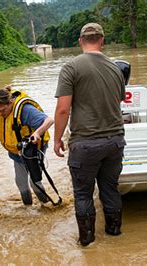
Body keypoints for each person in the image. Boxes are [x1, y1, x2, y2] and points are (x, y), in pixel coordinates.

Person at [53, 23, 126, 246]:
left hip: (85, 143)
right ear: (102, 40)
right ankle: (114, 234)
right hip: (115, 141)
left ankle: (87, 242)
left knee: (83, 194)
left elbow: (63, 109)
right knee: (110, 189)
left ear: (80, 41)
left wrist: (56, 139)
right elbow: (118, 101)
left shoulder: (71, 67)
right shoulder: (116, 68)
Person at [0, 86, 53, 205]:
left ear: (10, 102)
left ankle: (46, 205)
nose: (0, 114)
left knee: (35, 183)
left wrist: (37, 133)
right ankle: (27, 207)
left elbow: (49, 120)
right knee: (20, 182)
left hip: (32, 149)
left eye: (2, 110)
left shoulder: (25, 110)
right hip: (16, 150)